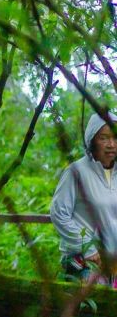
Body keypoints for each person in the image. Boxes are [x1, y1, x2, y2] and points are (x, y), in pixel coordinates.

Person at [50, 110, 117, 282]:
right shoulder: (76, 171)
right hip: (85, 265)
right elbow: (59, 214)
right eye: (104, 138)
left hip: (112, 267)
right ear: (92, 140)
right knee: (86, 308)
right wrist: (88, 249)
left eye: (115, 137)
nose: (111, 144)